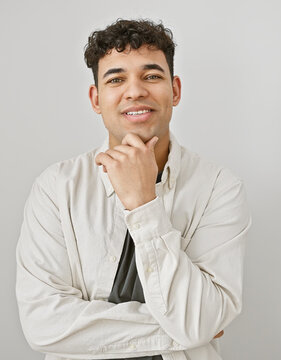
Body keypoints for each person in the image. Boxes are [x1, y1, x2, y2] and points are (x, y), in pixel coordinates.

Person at [16, 19, 251, 360]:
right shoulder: (56, 188)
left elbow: (200, 321)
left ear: (175, 90)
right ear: (96, 99)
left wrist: (144, 205)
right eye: (116, 79)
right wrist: (186, 331)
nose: (135, 91)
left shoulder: (219, 189)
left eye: (152, 76)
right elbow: (43, 325)